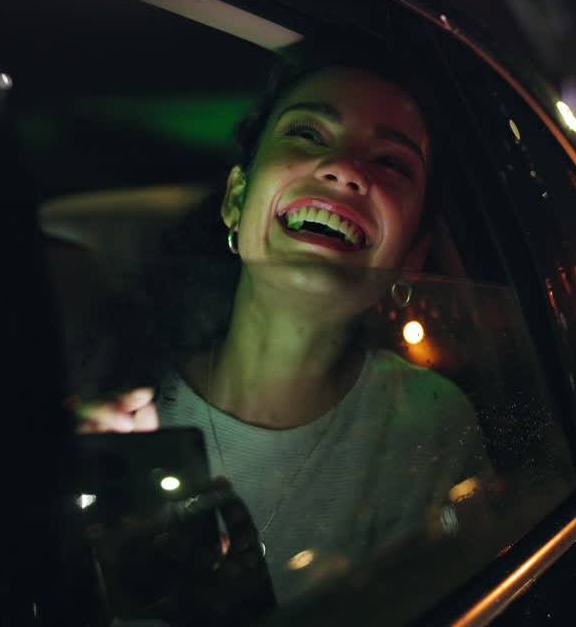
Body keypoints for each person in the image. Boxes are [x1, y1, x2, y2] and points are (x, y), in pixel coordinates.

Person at [76, 47, 490, 606]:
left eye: (392, 162)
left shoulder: (427, 428)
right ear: (237, 199)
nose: (345, 169)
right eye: (308, 134)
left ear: (412, 256)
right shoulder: (121, 401)